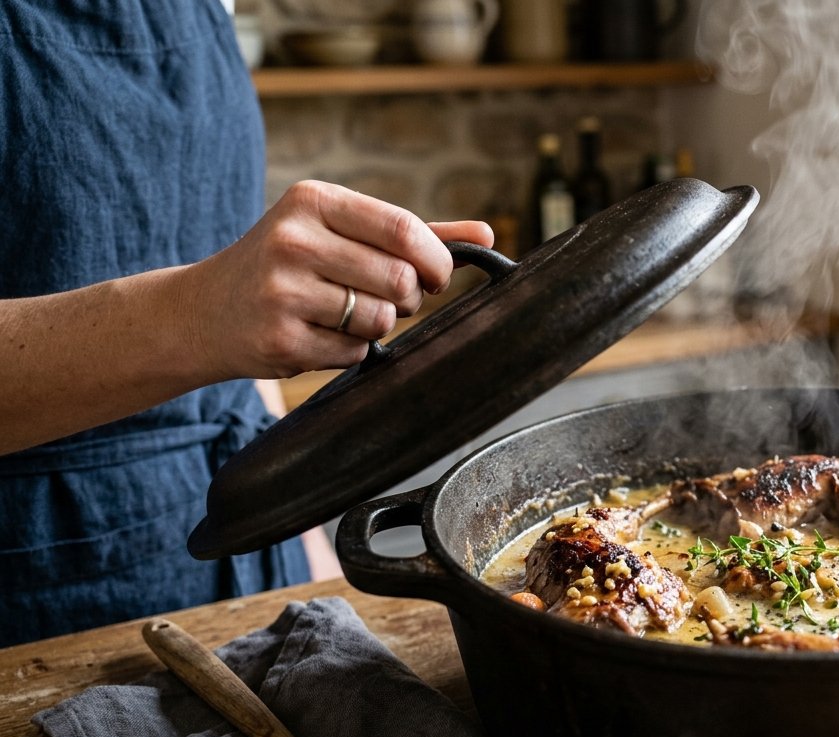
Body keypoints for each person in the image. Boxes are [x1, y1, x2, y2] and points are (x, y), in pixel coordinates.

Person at [0, 1, 493, 646]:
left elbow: (242, 347)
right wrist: (198, 314)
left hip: (254, 547)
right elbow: (214, 314)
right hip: (47, 586)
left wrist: (298, 536)